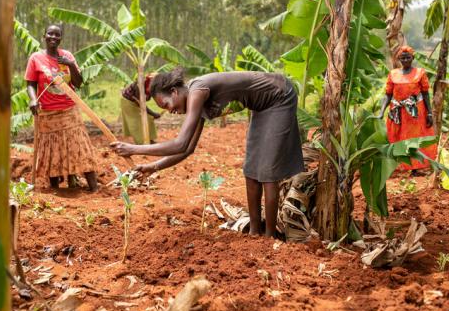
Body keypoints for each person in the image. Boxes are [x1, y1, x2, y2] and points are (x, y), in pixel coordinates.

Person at [110, 68, 304, 237]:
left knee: (267, 172)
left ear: (174, 91)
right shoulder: (196, 101)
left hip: (279, 96)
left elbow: (180, 143)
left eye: (167, 105)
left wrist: (134, 149)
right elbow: (187, 149)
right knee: (251, 170)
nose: (171, 112)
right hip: (261, 106)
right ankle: (255, 232)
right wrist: (153, 167)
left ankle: (269, 237)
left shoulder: (198, 91)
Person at [26, 24, 98, 191]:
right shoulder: (36, 58)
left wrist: (71, 64)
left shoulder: (67, 56)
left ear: (61, 38)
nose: (53, 37)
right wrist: (32, 99)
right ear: (44, 36)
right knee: (53, 151)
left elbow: (78, 83)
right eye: (50, 34)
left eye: (57, 35)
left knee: (81, 147)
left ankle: (94, 188)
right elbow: (30, 84)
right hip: (47, 112)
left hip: (69, 110)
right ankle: (56, 191)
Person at [377, 45, 437, 173]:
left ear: (412, 58)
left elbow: (425, 93)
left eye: (408, 57)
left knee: (414, 137)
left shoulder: (420, 73)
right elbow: (388, 94)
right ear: (399, 59)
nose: (405, 60)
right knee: (396, 136)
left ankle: (414, 167)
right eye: (402, 58)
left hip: (415, 112)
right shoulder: (393, 74)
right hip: (397, 110)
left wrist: (430, 113)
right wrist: (382, 111)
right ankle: (398, 166)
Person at [120, 76, 161, 144]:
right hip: (127, 102)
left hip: (134, 101)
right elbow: (142, 104)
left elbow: (147, 98)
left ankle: (149, 140)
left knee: (149, 118)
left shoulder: (148, 85)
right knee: (136, 122)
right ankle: (141, 142)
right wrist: (154, 114)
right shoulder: (139, 86)